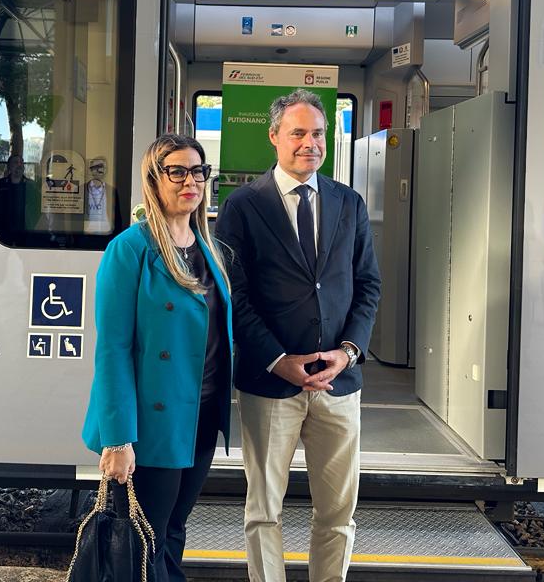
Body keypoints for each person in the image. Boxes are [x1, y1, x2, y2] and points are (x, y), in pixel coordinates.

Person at [215, 89, 381, 582]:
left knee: (338, 513)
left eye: (318, 133)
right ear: (274, 137)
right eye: (298, 133)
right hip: (270, 383)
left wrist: (348, 352)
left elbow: (368, 285)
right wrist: (277, 359)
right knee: (264, 510)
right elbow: (234, 294)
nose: (310, 143)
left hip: (338, 385)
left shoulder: (348, 202)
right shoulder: (243, 205)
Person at [82, 134, 233, 582]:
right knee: (145, 540)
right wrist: (117, 440)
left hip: (200, 416)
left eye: (198, 171)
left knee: (172, 530)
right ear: (154, 179)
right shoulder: (130, 249)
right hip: (152, 424)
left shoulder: (207, 248)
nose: (191, 181)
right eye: (177, 172)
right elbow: (112, 349)